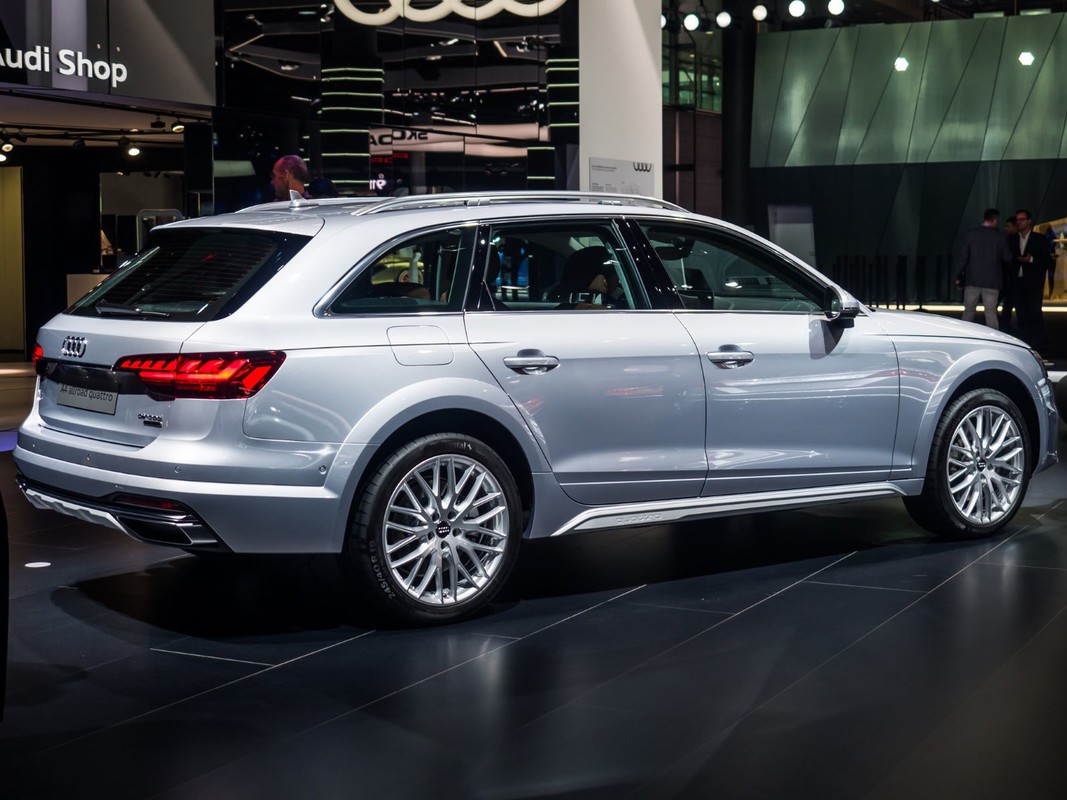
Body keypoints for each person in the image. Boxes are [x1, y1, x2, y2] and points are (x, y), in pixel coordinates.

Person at [1010, 209, 1053, 360]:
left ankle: (1040, 348)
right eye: (1017, 220)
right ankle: (1025, 347)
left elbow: (1046, 259)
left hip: (1033, 283)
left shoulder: (1039, 239)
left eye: (1022, 219)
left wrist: (1031, 259)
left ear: (1029, 221)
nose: (1019, 222)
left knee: (1035, 315)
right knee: (1021, 316)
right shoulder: (1012, 239)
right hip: (1018, 282)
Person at [958, 208, 1011, 329]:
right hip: (992, 281)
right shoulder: (1000, 236)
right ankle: (993, 337)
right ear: (995, 220)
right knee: (991, 313)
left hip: (973, 279)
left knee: (968, 311)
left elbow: (964, 257)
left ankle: (965, 334)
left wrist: (958, 275)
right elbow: (1007, 257)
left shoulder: (971, 234)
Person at [997, 216, 1019, 331]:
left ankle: (1004, 325)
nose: (1006, 229)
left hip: (1008, 277)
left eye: (1008, 226)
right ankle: (1006, 325)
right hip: (1009, 277)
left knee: (1006, 304)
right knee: (1009, 304)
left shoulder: (1007, 240)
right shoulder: (1011, 239)